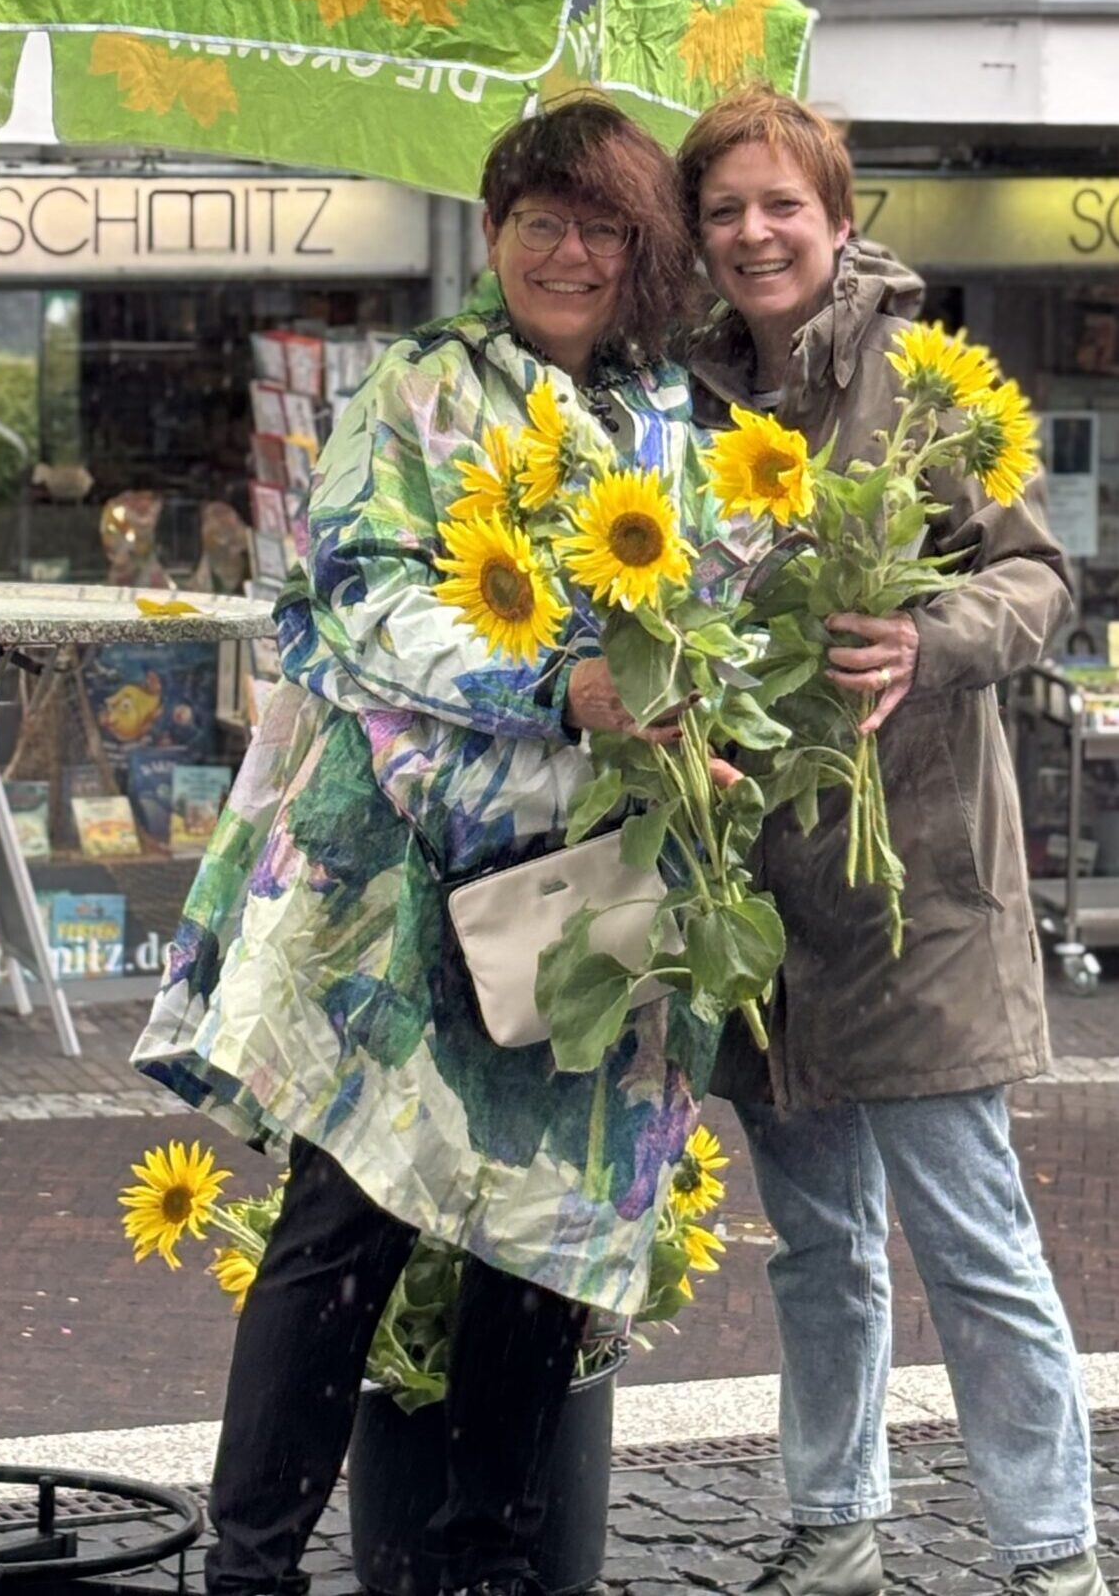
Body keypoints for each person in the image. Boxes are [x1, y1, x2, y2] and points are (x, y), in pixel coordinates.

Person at [135, 96, 720, 1596]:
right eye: (538, 218)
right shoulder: (413, 387)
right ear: (491, 229)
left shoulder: (666, 421)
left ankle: (475, 1565)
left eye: (598, 224)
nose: (565, 251)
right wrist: (560, 685)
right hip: (400, 875)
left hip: (587, 872)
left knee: (544, 1222)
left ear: (641, 246)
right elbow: (358, 590)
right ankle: (252, 1564)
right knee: (348, 1214)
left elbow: (702, 613)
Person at [679, 83, 1108, 1596]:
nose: (751, 232)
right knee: (815, 1243)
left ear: (836, 217)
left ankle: (1051, 1549)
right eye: (723, 208)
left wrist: (925, 640)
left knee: (971, 1237)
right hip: (756, 894)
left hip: (909, 872)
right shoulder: (689, 395)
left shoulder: (932, 383)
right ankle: (836, 1522)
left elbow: (1040, 578)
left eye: (778, 203)